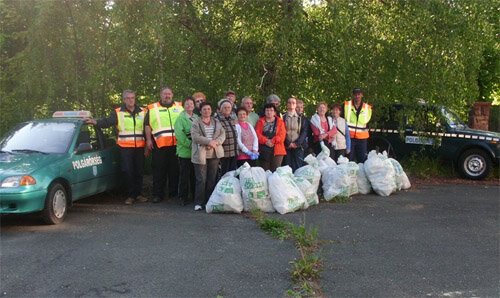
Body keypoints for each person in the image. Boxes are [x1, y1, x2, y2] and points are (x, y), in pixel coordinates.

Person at [84, 90, 148, 205]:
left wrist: (148, 143)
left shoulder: (143, 111)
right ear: (124, 100)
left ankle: (138, 194)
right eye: (128, 98)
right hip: (125, 148)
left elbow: (149, 127)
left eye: (132, 98)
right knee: (128, 171)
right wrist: (94, 122)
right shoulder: (118, 112)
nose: (131, 100)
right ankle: (130, 195)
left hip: (140, 147)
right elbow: (107, 122)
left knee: (139, 171)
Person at [145, 87, 184, 203]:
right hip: (159, 144)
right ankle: (157, 194)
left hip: (177, 144)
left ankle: (173, 194)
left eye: (169, 94)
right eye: (165, 94)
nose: (167, 96)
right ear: (160, 95)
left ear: (172, 95)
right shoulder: (152, 108)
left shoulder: (179, 106)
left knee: (175, 170)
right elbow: (147, 125)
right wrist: (148, 140)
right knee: (159, 170)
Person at [191, 102, 225, 211]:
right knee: (201, 179)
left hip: (214, 154)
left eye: (209, 109)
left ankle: (209, 201)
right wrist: (209, 142)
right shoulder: (196, 122)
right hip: (200, 154)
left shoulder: (216, 122)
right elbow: (195, 137)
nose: (207, 111)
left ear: (212, 111)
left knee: (212, 178)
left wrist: (215, 143)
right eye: (204, 109)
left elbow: (222, 134)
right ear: (200, 111)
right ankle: (199, 202)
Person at [174, 96, 199, 205]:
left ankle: (194, 196)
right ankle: (183, 197)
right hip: (185, 151)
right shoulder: (180, 118)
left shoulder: (197, 117)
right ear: (183, 106)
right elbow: (179, 135)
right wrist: (190, 144)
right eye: (187, 104)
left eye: (191, 103)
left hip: (196, 151)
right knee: (184, 175)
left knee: (194, 175)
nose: (189, 105)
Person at [255, 103, 286, 172]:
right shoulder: (260, 121)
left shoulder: (280, 122)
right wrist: (266, 141)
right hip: (264, 150)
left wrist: (272, 141)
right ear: (264, 112)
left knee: (276, 171)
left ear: (275, 112)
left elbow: (282, 135)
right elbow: (257, 134)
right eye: (267, 110)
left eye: (271, 110)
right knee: (265, 170)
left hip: (277, 150)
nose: (269, 112)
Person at [344, 88, 372, 162]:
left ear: (362, 95)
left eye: (359, 94)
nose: (357, 96)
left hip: (362, 138)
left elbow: (370, 122)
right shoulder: (346, 105)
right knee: (349, 158)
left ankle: (361, 173)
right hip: (349, 137)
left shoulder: (368, 108)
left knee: (362, 159)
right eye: (355, 94)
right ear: (353, 95)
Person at [283, 97, 309, 172]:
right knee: (287, 167)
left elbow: (304, 131)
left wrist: (296, 143)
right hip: (286, 146)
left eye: (293, 103)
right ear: (287, 104)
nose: (291, 104)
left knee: (298, 167)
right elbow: (281, 132)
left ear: (295, 105)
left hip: (298, 146)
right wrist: (288, 143)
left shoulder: (301, 118)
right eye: (289, 102)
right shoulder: (283, 117)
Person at [215, 99, 238, 176]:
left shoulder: (232, 119)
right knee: (224, 174)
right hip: (224, 153)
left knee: (232, 174)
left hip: (233, 152)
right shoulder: (217, 120)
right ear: (220, 109)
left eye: (229, 107)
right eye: (225, 107)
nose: (227, 109)